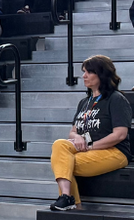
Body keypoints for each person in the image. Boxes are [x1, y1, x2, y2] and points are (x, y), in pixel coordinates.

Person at [49, 55, 132, 211]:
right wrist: (78, 137)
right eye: (84, 72)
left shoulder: (116, 99)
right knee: (59, 145)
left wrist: (91, 146)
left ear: (101, 74)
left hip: (114, 151)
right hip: (87, 150)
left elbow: (120, 134)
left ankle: (74, 206)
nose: (84, 76)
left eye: (88, 72)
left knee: (64, 164)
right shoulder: (84, 102)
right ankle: (66, 197)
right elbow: (72, 132)